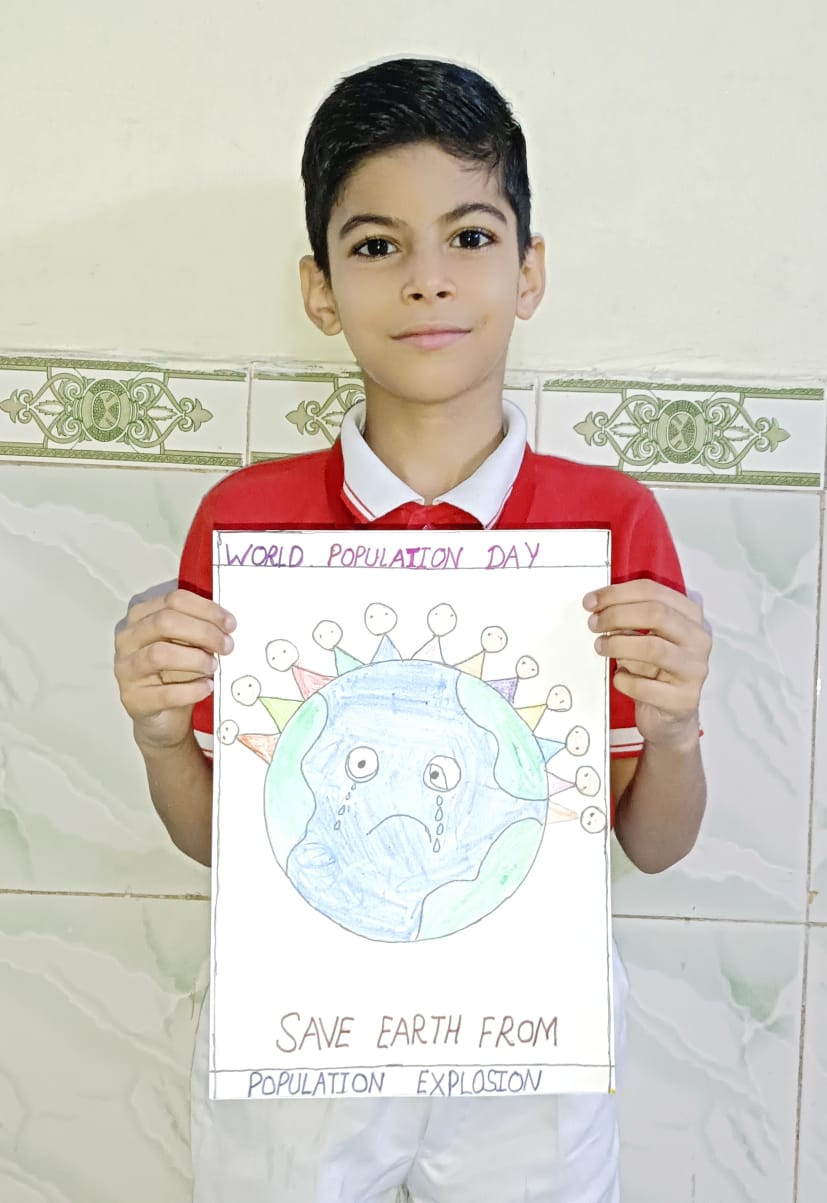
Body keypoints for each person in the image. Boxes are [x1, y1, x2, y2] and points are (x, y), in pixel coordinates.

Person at [114, 56, 711, 1203]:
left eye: (470, 237)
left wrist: (677, 730)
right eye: (379, 245)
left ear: (529, 271)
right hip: (301, 1031)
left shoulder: (612, 522)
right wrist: (158, 736)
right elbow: (224, 844)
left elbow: (655, 843)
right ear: (321, 288)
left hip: (529, 1034)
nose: (428, 280)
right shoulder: (246, 522)